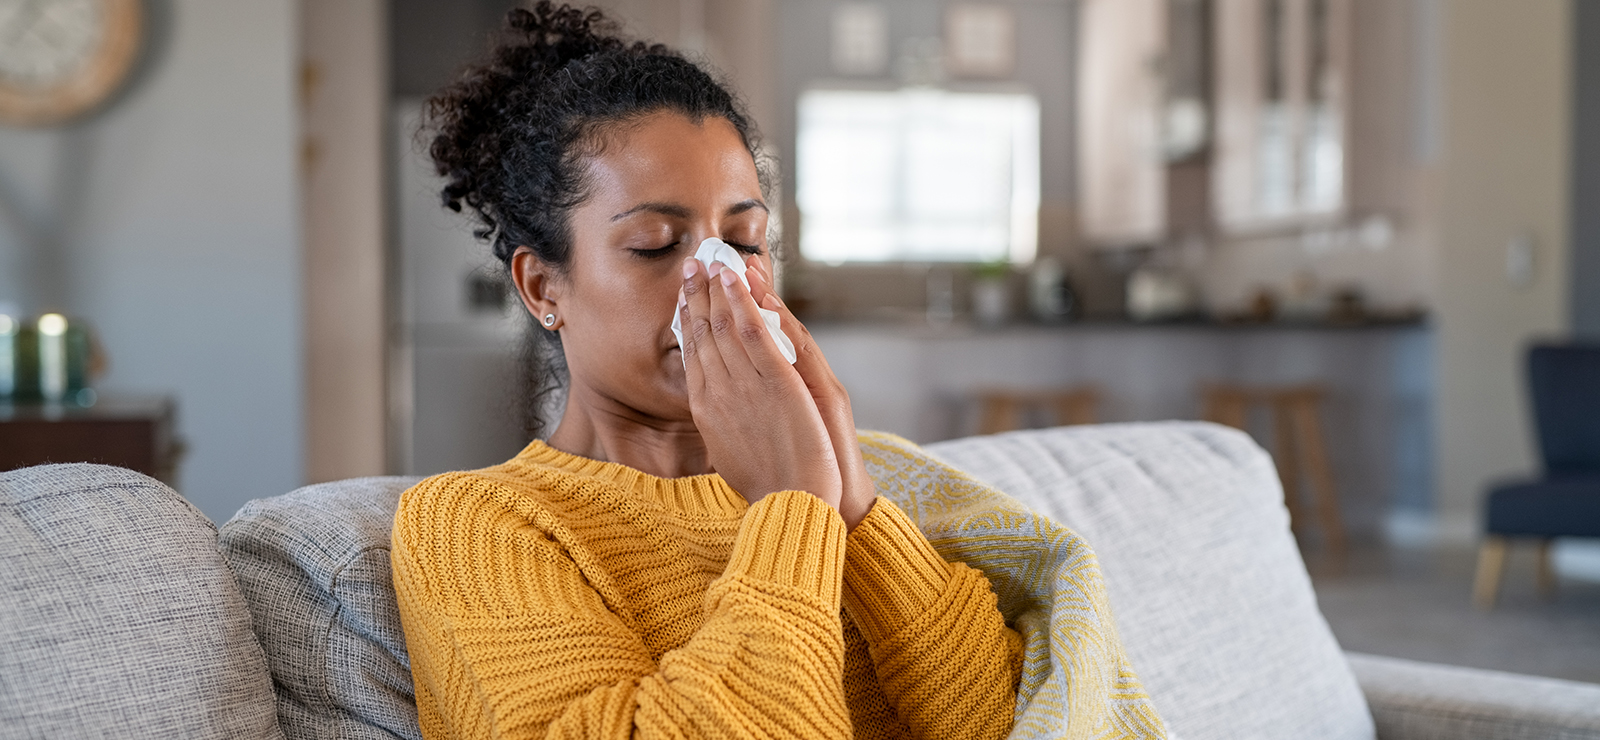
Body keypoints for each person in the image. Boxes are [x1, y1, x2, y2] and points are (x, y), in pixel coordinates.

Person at [389, 3, 1023, 738]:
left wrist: (855, 510)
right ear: (542, 288)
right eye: (657, 244)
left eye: (746, 241)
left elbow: (1010, 723)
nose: (719, 280)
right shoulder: (476, 526)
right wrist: (795, 510)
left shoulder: (841, 479)